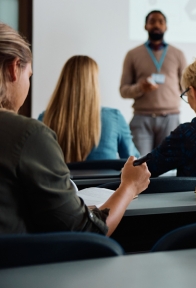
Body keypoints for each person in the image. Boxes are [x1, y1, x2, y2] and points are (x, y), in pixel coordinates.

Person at [0, 23, 150, 235]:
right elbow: (85, 229)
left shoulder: (45, 118)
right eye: (29, 75)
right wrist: (129, 187)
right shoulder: (28, 134)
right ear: (14, 68)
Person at [39, 55, 139, 163]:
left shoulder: (45, 119)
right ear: (93, 83)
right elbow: (134, 161)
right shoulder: (114, 118)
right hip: (105, 180)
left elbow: (37, 161)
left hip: (61, 180)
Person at [120, 10, 188, 155]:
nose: (156, 25)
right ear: (145, 26)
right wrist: (140, 88)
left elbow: (186, 87)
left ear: (166, 27)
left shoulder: (178, 54)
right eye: (152, 22)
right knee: (140, 165)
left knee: (168, 169)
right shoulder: (133, 54)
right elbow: (123, 90)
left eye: (160, 22)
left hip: (170, 118)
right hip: (142, 119)